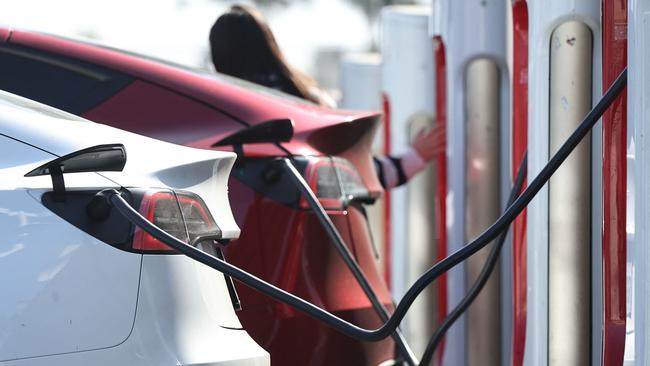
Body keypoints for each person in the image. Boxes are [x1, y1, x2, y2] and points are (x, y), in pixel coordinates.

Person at [209, 4, 443, 189]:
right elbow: (355, 174)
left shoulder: (215, 122)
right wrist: (413, 157)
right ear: (268, 45)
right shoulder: (305, 104)